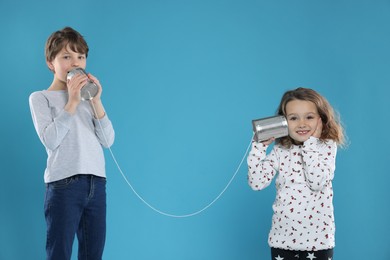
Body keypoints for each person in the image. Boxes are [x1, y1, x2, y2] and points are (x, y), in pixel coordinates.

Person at [29, 27, 115, 260]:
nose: (75, 62)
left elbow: (108, 141)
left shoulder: (88, 99)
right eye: (66, 57)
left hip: (96, 184)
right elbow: (51, 139)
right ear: (50, 63)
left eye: (80, 57)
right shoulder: (41, 98)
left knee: (93, 254)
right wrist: (72, 102)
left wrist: (95, 101)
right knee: (59, 253)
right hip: (64, 185)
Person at [247, 87, 345, 260]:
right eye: (293, 118)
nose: (301, 124)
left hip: (318, 242)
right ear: (283, 122)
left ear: (321, 119)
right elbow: (257, 183)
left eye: (309, 117)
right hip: (282, 241)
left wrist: (311, 144)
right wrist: (259, 147)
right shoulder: (281, 150)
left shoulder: (326, 147)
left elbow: (317, 182)